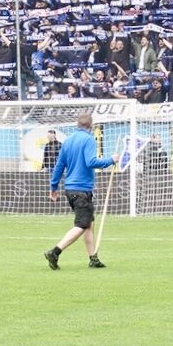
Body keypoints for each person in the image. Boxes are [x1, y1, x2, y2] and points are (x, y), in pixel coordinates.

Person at [43, 113, 116, 270]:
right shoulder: (89, 139)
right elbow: (91, 162)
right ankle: (55, 252)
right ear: (90, 127)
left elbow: (59, 166)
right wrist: (111, 160)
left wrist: (53, 187)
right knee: (82, 225)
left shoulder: (68, 140)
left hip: (70, 189)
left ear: (78, 125)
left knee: (89, 224)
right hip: (82, 189)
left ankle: (93, 258)